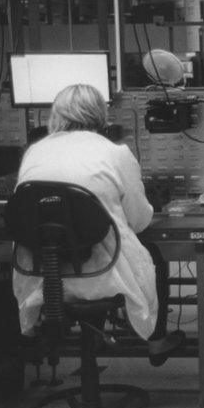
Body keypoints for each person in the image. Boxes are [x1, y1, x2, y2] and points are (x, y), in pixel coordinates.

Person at [13, 84, 183, 365]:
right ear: (101, 114)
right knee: (153, 256)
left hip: (44, 273)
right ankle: (156, 341)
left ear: (55, 113)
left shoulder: (34, 152)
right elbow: (139, 221)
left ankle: (91, 338)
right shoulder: (115, 153)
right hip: (103, 274)